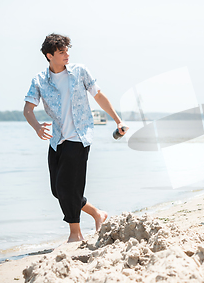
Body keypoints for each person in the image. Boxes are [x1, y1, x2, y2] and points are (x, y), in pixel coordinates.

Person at [23, 33, 129, 242]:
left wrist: (117, 121)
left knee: (69, 186)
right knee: (57, 190)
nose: (67, 55)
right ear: (49, 55)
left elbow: (98, 95)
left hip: (79, 137)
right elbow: (28, 109)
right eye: (61, 52)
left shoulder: (80, 72)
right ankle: (98, 214)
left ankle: (75, 234)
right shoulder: (39, 80)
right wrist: (36, 127)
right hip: (57, 139)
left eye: (67, 50)